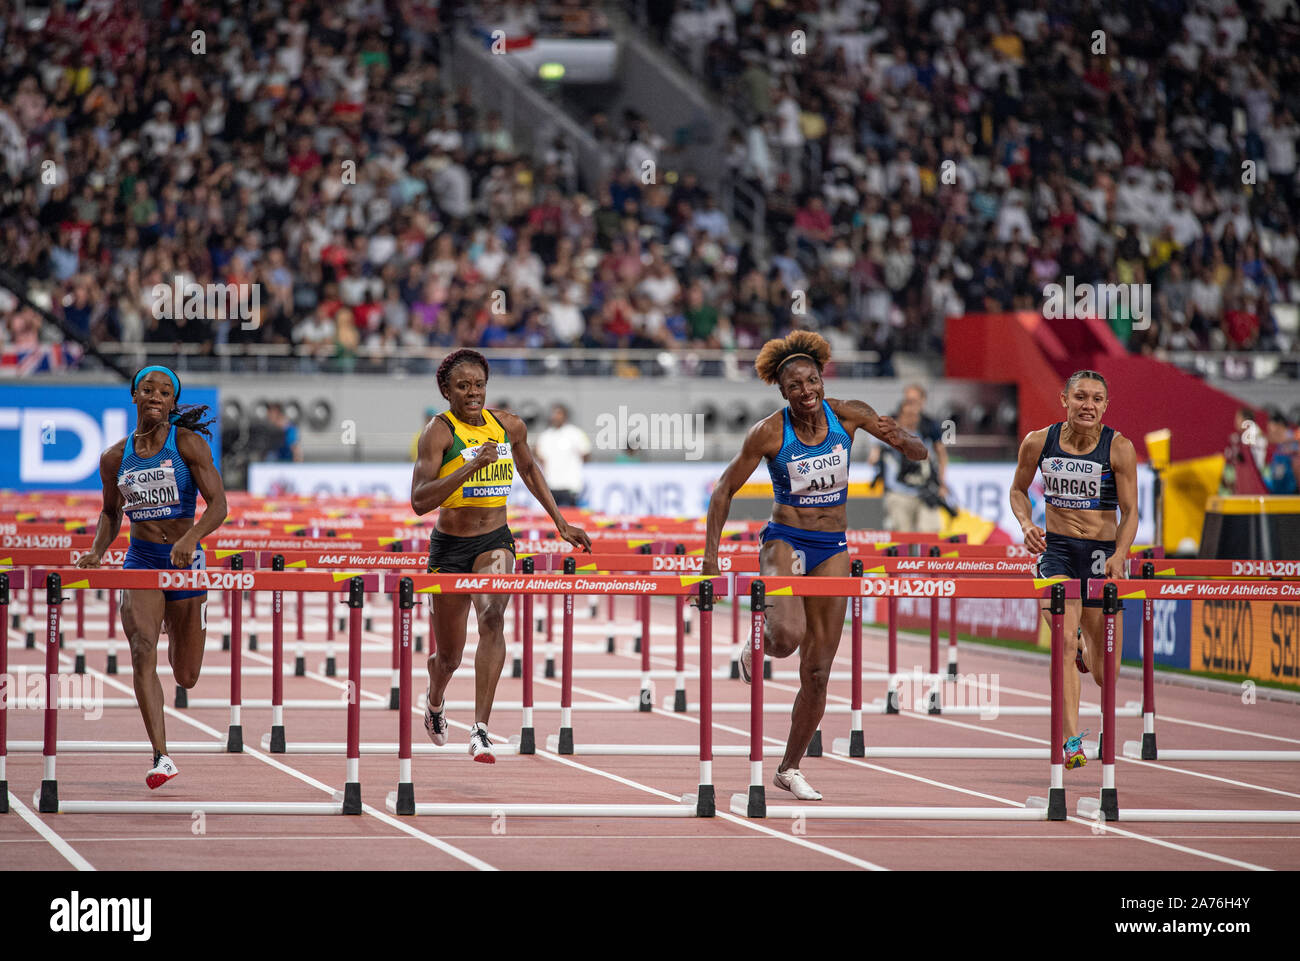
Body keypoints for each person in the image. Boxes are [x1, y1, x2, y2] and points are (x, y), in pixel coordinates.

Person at [701, 332, 927, 801]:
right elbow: (723, 490)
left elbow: (908, 443)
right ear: (782, 393)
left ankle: (790, 766)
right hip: (784, 539)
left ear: (823, 379)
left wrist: (907, 443)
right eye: (796, 387)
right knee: (785, 640)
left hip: (832, 545)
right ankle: (758, 638)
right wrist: (710, 558)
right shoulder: (768, 432)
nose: (807, 393)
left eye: (813, 381)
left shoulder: (849, 414)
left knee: (819, 671)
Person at [411, 349, 592, 762]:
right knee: (449, 656)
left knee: (492, 617)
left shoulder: (509, 426)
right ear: (446, 391)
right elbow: (419, 502)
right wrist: (468, 468)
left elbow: (529, 471)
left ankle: (480, 730)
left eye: (478, 385)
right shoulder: (438, 433)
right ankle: (435, 698)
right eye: (463, 387)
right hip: (449, 546)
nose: (472, 393)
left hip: (494, 539)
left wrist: (560, 522)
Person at [75, 366, 227, 788]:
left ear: (174, 402)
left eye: (165, 391)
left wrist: (191, 538)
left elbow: (219, 505)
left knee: (186, 676)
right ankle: (161, 755)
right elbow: (111, 512)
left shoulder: (189, 445)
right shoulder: (113, 457)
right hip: (141, 559)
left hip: (186, 561)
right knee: (142, 647)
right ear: (134, 396)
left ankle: (184, 617)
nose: (156, 396)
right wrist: (98, 550)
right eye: (148, 389)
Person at [1009, 370, 1139, 770]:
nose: (1088, 405)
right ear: (1064, 399)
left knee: (1106, 672)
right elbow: (1017, 490)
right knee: (1062, 644)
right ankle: (1070, 742)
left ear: (1105, 406)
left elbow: (1131, 511)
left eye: (1097, 399)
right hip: (1058, 552)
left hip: (1100, 555)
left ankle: (1088, 647)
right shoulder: (1038, 442)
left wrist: (1121, 553)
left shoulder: (1118, 448)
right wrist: (1028, 525)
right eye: (1080, 397)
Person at [870, 397, 948, 534]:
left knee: (930, 531)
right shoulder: (888, 434)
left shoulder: (925, 431)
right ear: (901, 415)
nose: (912, 419)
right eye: (909, 415)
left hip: (925, 492)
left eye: (915, 416)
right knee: (902, 535)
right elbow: (873, 456)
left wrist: (941, 483)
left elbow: (938, 457)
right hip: (898, 492)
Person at [532, 403, 591, 507]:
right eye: (554, 414)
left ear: (565, 416)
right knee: (552, 520)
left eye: (559, 414)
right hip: (551, 485)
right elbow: (539, 457)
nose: (555, 417)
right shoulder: (545, 436)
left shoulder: (575, 433)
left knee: (571, 519)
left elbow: (586, 454)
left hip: (570, 485)